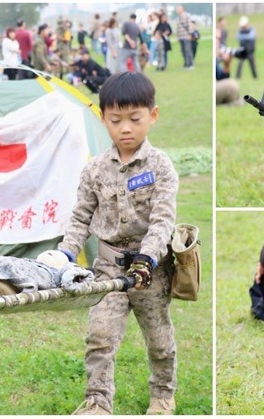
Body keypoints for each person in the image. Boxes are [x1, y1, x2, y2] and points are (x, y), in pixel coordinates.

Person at [47, 72, 179, 415]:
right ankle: (97, 401)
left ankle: (163, 395)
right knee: (100, 336)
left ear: (152, 115)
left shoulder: (161, 166)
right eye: (115, 120)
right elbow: (79, 218)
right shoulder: (94, 170)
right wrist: (64, 252)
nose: (125, 128)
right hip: (107, 269)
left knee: (160, 339)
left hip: (150, 272)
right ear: (102, 118)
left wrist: (148, 258)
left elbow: (163, 221)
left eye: (135, 119)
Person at [175, 5, 194, 70]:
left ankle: (190, 64)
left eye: (178, 9)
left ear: (182, 9)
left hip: (186, 36)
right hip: (181, 37)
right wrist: (177, 37)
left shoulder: (186, 16)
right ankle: (186, 63)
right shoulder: (178, 17)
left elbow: (190, 25)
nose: (177, 11)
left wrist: (190, 34)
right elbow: (178, 28)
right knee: (183, 51)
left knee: (188, 51)